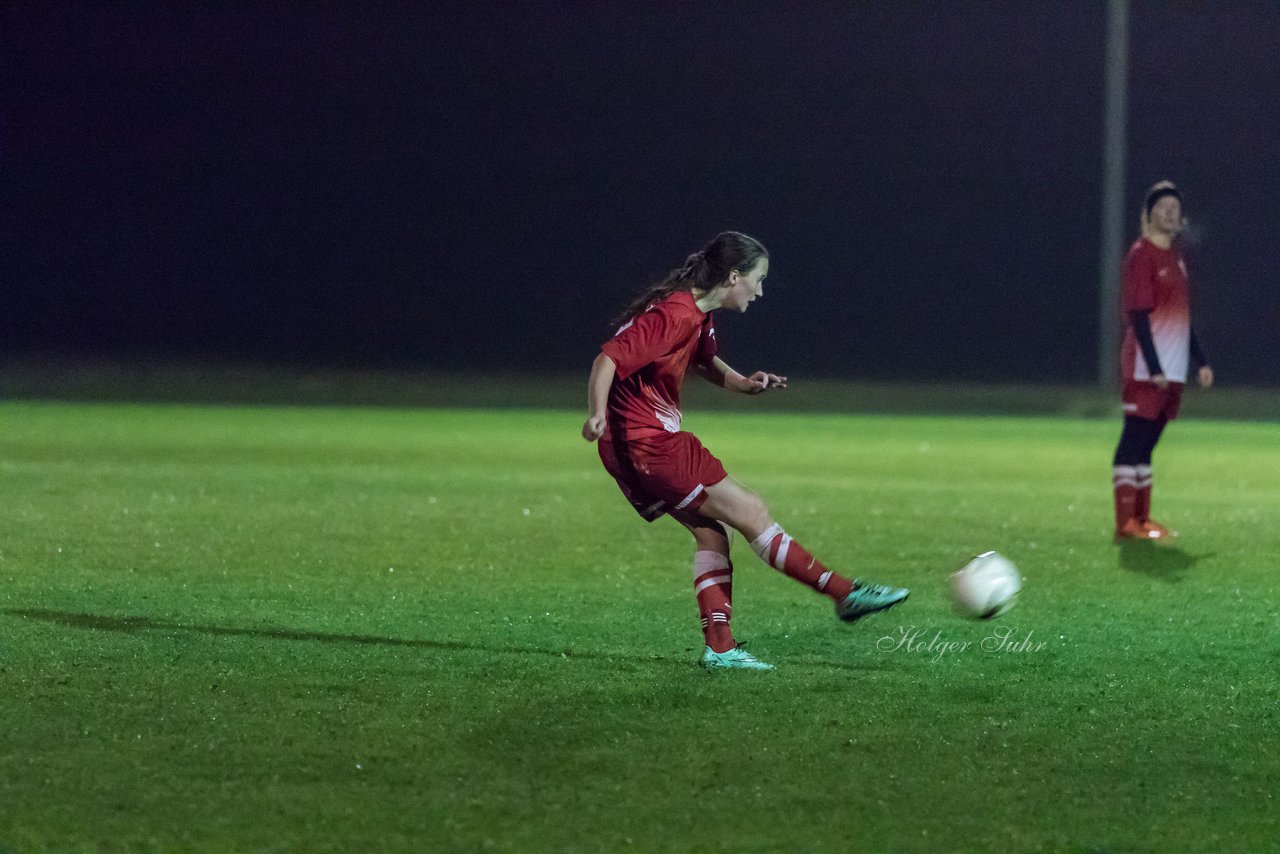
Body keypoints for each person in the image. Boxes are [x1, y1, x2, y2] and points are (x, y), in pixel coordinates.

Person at [582, 231, 909, 670]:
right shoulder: (676, 314)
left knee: (713, 532)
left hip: (630, 449)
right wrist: (595, 413)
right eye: (757, 279)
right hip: (650, 445)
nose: (760, 290)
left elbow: (702, 361)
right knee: (751, 512)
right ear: (733, 276)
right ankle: (843, 594)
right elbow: (608, 359)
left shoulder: (697, 313)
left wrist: (745, 384)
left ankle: (720, 649)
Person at [1112, 181, 1213, 542]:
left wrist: (1199, 360)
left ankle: (1142, 519)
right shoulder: (1142, 254)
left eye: (1175, 207)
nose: (1170, 212)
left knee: (1149, 442)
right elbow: (1138, 315)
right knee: (1134, 438)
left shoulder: (1177, 260)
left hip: (1172, 369)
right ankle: (1126, 522)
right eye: (1163, 206)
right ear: (1149, 213)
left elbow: (1181, 318)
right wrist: (1152, 366)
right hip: (1146, 368)